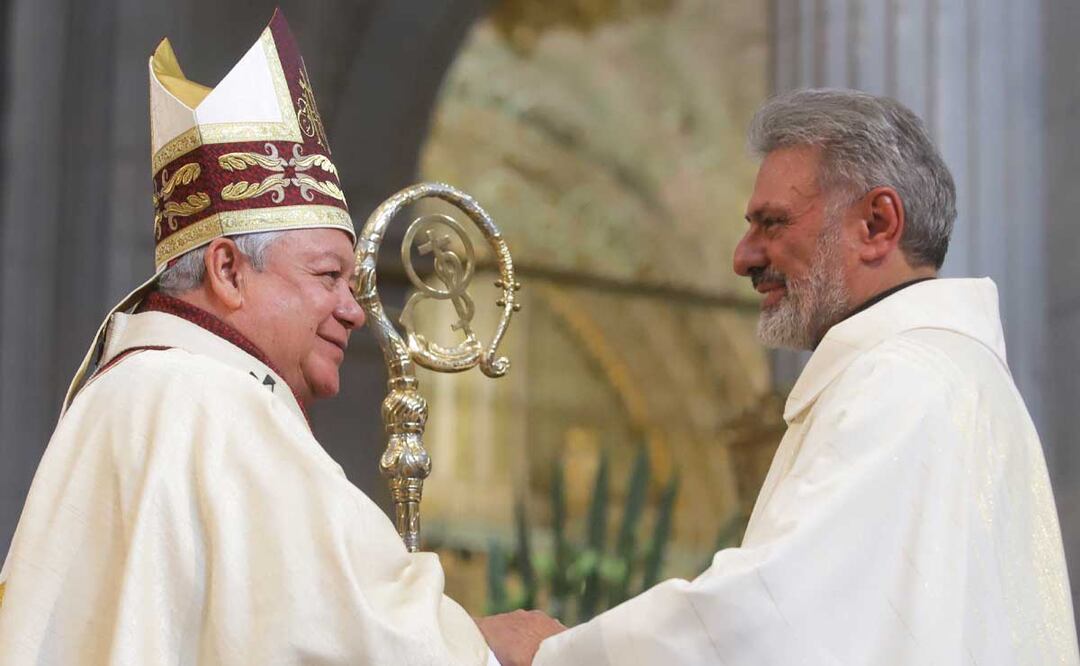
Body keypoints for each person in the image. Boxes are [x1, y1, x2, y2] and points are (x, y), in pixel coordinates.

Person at [479, 89, 1080, 665]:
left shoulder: (903, 380)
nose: (743, 257)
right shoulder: (943, 376)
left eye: (772, 223)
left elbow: (770, 625)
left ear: (877, 224)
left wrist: (553, 654)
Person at [0, 11, 497, 665]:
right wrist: (489, 646)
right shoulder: (215, 403)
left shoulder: (127, 392)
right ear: (229, 271)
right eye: (328, 276)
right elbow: (361, 642)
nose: (354, 311)